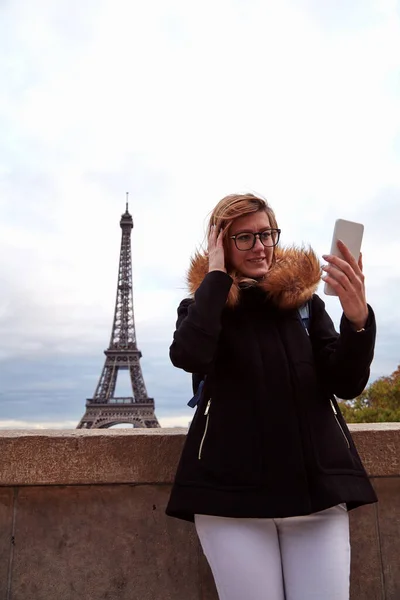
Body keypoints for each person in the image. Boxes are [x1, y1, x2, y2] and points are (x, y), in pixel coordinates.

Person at [166, 193, 377, 600]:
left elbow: (347, 382)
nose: (260, 246)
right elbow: (190, 354)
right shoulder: (202, 308)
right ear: (220, 244)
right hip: (230, 500)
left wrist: (357, 320)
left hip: (317, 493)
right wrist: (214, 279)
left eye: (266, 234)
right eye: (243, 238)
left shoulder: (305, 306)